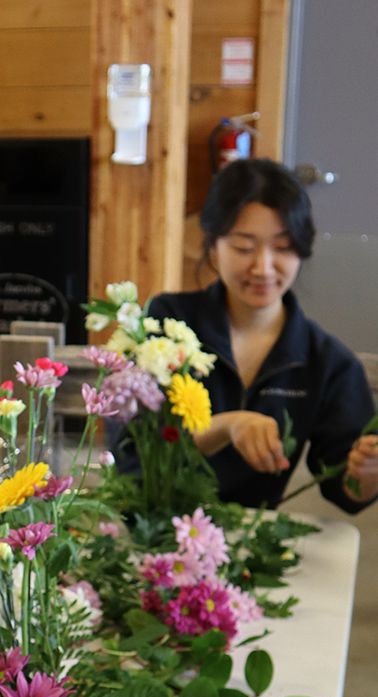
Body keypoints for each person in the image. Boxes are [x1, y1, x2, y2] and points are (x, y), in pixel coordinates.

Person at [144, 157, 378, 511]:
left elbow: (345, 490)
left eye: (282, 247)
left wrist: (368, 473)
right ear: (214, 244)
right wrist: (226, 427)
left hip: (251, 543)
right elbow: (135, 453)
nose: (263, 267)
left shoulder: (328, 362)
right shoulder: (167, 325)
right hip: (154, 529)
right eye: (244, 247)